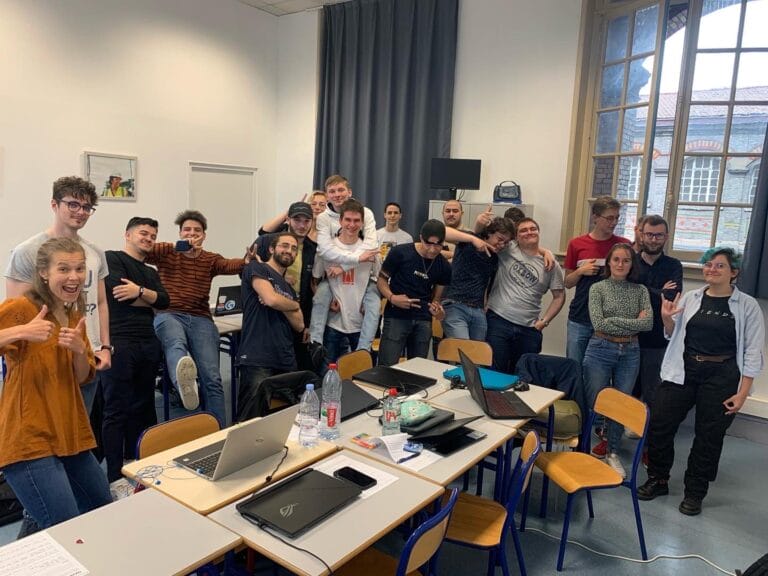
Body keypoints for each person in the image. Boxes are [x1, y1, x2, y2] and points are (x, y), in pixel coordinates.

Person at [638, 247, 764, 516]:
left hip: (722, 375)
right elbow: (673, 335)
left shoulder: (747, 306)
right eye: (708, 265)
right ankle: (658, 479)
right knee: (659, 423)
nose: (711, 270)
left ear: (734, 272)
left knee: (708, 436)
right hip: (684, 370)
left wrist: (742, 394)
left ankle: (695, 492)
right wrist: (665, 319)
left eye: (719, 266)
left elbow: (753, 351)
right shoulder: (693, 297)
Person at [0, 238, 112, 529]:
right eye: (64, 269)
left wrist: (78, 351)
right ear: (44, 273)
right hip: (30, 439)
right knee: (65, 529)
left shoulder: (74, 314)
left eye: (79, 269)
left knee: (103, 509)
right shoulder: (23, 308)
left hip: (70, 435)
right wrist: (21, 331)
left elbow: (81, 376)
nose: (73, 277)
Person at [5, 176, 112, 413]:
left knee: (80, 430)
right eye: (73, 204)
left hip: (85, 353)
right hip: (45, 361)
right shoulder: (27, 252)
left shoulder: (95, 253)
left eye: (86, 207)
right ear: (55, 205)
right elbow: (16, 314)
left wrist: (104, 346)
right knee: (45, 433)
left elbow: (101, 302)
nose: (80, 212)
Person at [147, 210, 247, 427]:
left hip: (200, 318)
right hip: (168, 313)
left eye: (197, 231)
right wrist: (177, 246)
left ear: (204, 235)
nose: (192, 234)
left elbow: (231, 265)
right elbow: (145, 251)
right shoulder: (167, 254)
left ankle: (218, 429)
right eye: (187, 230)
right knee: (176, 342)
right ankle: (183, 384)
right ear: (180, 233)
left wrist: (248, 259)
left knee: (212, 378)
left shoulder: (210, 259)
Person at [101, 217, 170, 485]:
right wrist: (149, 298)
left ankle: (137, 462)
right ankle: (114, 475)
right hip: (120, 341)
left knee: (143, 405)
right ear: (127, 234)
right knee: (116, 408)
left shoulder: (151, 271)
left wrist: (139, 291)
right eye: (143, 233)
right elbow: (119, 293)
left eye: (153, 236)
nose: (148, 239)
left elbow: (165, 301)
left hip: (148, 341)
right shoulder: (112, 258)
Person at [582, 243, 652, 478]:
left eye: (626, 260)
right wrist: (634, 321)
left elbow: (648, 324)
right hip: (600, 347)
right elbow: (599, 324)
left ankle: (612, 451)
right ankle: (584, 448)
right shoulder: (598, 288)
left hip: (631, 350)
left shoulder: (640, 290)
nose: (621, 264)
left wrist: (618, 320)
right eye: (616, 260)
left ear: (632, 264)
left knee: (620, 404)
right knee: (596, 401)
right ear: (609, 262)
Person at [237, 233, 306, 421]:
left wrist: (285, 303)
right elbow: (270, 299)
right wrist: (288, 304)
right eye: (285, 246)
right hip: (258, 356)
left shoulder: (289, 288)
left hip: (285, 357)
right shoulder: (256, 267)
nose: (289, 251)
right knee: (250, 419)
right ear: (271, 249)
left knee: (284, 419)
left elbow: (299, 324)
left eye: (294, 249)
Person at [486, 217, 566, 373]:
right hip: (499, 321)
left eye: (533, 229)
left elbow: (559, 297)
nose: (529, 232)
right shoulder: (508, 249)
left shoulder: (551, 264)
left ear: (538, 232)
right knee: (495, 371)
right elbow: (487, 239)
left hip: (529, 329)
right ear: (516, 237)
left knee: (523, 375)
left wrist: (544, 321)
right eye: (523, 230)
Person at [311, 175, 380, 352]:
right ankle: (315, 342)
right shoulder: (324, 218)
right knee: (320, 296)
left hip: (360, 278)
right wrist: (357, 258)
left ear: (349, 192)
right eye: (332, 191)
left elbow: (370, 247)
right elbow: (325, 251)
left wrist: (343, 267)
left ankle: (364, 349)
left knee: (374, 302)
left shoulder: (366, 212)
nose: (337, 195)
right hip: (333, 279)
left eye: (341, 190)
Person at [564, 195, 631, 366]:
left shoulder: (623, 246)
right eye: (609, 218)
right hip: (580, 317)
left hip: (610, 321)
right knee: (574, 367)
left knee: (600, 372)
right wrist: (581, 271)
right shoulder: (577, 244)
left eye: (617, 218)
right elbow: (568, 282)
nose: (614, 222)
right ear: (595, 217)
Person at [377, 219, 451, 366]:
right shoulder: (400, 252)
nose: (432, 249)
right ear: (421, 238)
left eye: (438, 245)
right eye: (428, 243)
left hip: (423, 320)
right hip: (397, 316)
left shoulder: (444, 266)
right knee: (386, 367)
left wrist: (438, 311)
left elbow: (436, 299)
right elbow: (381, 280)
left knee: (417, 369)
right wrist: (392, 298)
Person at [253, 202, 317, 371]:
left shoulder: (313, 249)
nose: (302, 225)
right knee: (266, 369)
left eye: (306, 221)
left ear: (312, 222)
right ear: (288, 219)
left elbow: (310, 291)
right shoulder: (268, 241)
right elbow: (246, 270)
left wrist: (309, 324)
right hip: (267, 313)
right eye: (297, 220)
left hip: (296, 314)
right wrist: (276, 277)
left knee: (296, 369)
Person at [634, 215, 683, 410]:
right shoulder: (631, 262)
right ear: (641, 235)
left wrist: (641, 288)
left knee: (654, 389)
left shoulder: (674, 265)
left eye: (659, 236)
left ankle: (649, 432)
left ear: (666, 237)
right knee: (628, 387)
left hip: (658, 338)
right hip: (630, 336)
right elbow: (626, 292)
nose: (653, 240)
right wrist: (658, 291)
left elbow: (671, 297)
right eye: (649, 235)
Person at [440, 217, 514, 341]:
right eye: (500, 239)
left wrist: (546, 252)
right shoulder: (469, 241)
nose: (502, 245)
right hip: (455, 305)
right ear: (489, 233)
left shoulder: (495, 257)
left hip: (478, 310)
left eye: (506, 242)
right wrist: (473, 238)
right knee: (463, 351)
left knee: (477, 356)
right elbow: (441, 231)